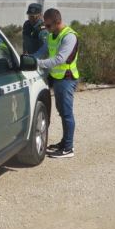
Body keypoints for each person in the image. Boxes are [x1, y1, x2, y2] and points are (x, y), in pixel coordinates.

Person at [33, 8, 79, 158]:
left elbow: (59, 59)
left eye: (48, 26)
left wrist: (38, 63)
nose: (46, 29)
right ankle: (64, 142)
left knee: (66, 113)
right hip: (57, 79)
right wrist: (29, 59)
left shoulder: (69, 37)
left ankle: (68, 148)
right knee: (61, 111)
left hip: (67, 79)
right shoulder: (53, 35)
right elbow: (43, 50)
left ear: (57, 22)